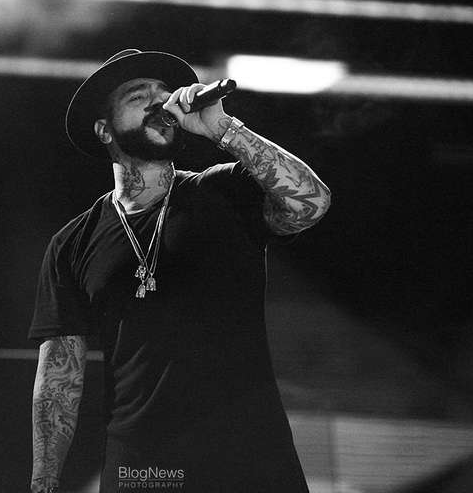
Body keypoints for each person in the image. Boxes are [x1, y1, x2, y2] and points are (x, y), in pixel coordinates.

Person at [28, 49, 331, 493]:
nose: (159, 101)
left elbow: (312, 202)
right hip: (142, 472)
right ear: (104, 129)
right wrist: (44, 481)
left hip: (251, 464)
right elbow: (59, 378)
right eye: (138, 95)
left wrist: (223, 128)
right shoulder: (72, 243)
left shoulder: (224, 190)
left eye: (164, 92)